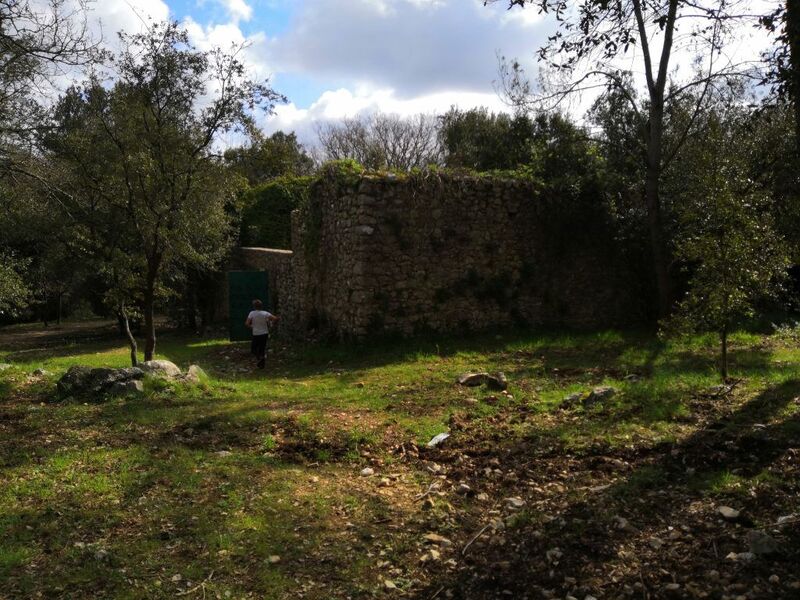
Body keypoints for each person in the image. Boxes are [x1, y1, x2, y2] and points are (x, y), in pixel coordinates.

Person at [245, 299, 278, 369]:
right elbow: (275, 318)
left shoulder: (252, 313)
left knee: (253, 349)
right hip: (264, 333)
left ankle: (259, 358)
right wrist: (271, 324)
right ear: (261, 306)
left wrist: (252, 327)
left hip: (256, 333)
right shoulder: (265, 313)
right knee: (262, 348)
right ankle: (262, 364)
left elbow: (247, 323)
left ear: (254, 306)